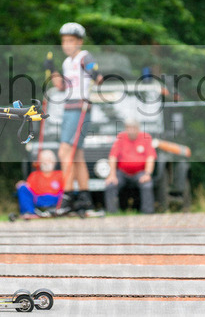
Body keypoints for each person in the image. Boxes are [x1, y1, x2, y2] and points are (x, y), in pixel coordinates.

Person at [48, 22, 102, 214]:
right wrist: (52, 71)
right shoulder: (66, 62)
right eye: (64, 41)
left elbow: (98, 76)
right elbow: (61, 86)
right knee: (77, 155)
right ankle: (85, 199)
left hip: (80, 107)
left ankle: (68, 196)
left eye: (71, 40)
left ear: (79, 42)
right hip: (68, 107)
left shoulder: (84, 57)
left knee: (65, 152)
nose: (67, 45)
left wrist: (95, 73)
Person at [104, 118, 156, 214]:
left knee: (147, 185)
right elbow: (112, 157)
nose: (131, 131)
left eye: (133, 128)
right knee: (110, 184)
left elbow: (150, 158)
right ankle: (112, 213)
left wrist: (147, 174)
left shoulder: (146, 137)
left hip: (140, 172)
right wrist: (112, 175)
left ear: (138, 129)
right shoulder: (121, 137)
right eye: (128, 128)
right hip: (122, 173)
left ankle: (148, 212)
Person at [16, 150, 64, 217]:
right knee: (22, 187)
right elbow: (29, 188)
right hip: (39, 199)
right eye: (43, 160)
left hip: (56, 199)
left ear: (54, 162)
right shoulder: (34, 175)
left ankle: (64, 210)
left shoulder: (60, 175)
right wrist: (22, 185)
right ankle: (29, 212)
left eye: (49, 160)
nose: (46, 162)